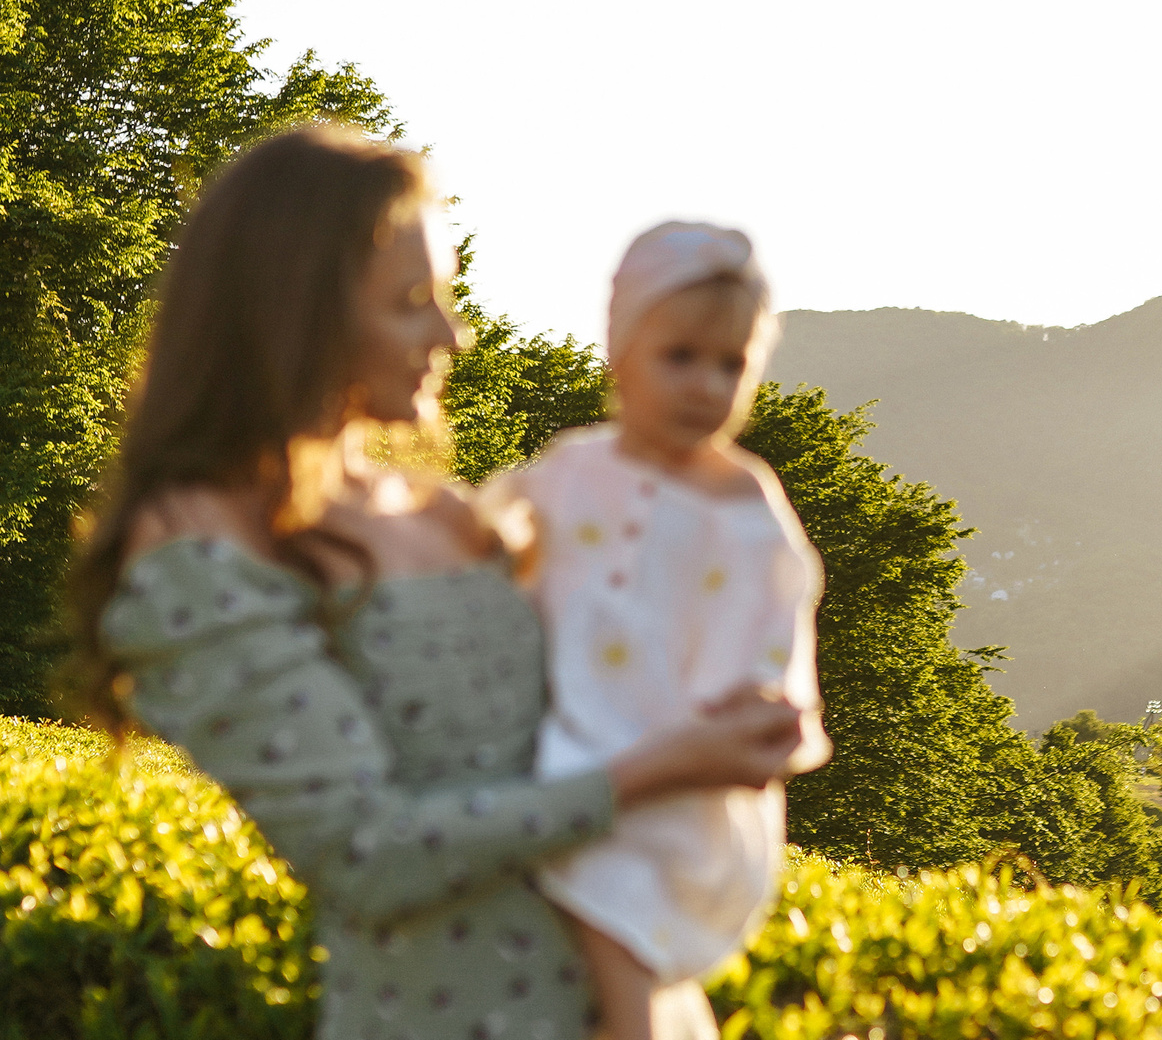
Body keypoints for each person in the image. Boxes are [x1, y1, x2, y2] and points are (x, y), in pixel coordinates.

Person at [62, 127, 823, 1040]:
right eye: (413, 302)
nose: (453, 335)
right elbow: (365, 851)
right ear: (297, 311)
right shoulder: (196, 551)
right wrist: (663, 767)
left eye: (446, 297)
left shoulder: (447, 511)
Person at [490, 222, 827, 1040]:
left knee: (613, 888)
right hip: (573, 735)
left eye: (731, 364)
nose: (706, 386)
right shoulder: (570, 471)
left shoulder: (746, 505)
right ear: (619, 350)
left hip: (690, 770)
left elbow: (779, 618)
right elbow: (495, 548)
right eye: (680, 357)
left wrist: (761, 705)